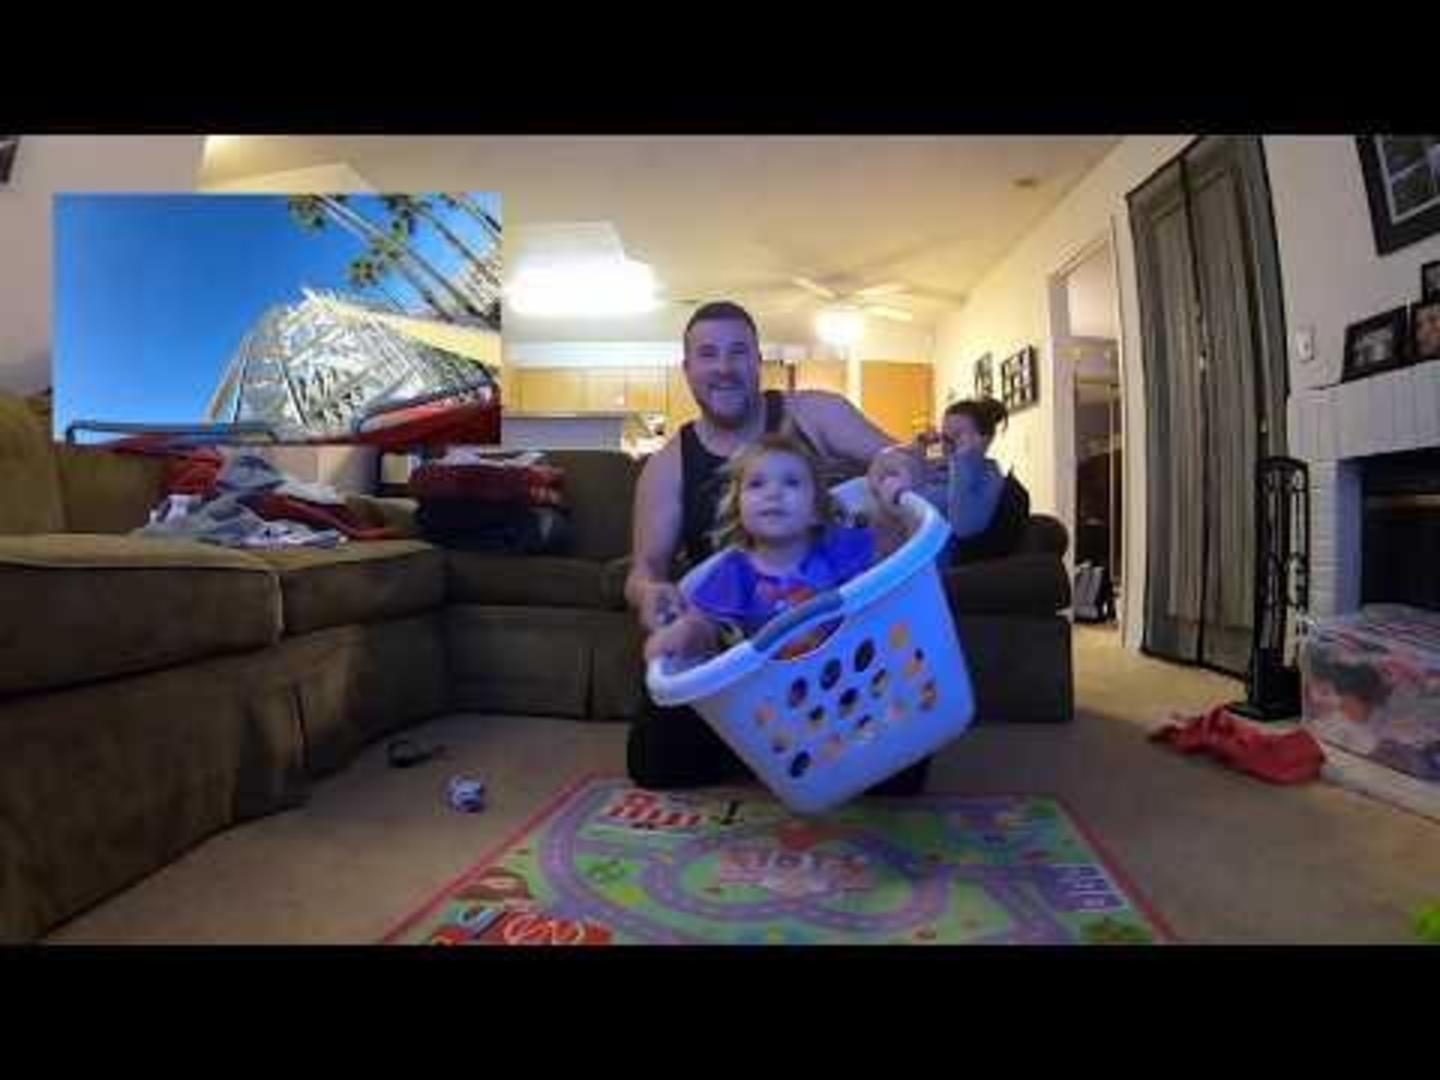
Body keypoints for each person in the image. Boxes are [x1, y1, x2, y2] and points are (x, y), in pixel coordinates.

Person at [625, 299, 925, 792]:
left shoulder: (815, 413)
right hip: (736, 659)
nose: (724, 367)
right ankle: (782, 749)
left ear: (758, 361)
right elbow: (646, 572)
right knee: (655, 761)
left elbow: (899, 467)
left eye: (738, 352)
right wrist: (653, 597)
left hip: (835, 650)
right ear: (687, 369)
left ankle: (792, 750)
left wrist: (899, 469)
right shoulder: (669, 466)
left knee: (904, 769)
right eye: (708, 354)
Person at [643, 433, 875, 664]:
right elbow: (705, 625)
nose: (773, 493)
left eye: (791, 483)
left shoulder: (834, 545)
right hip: (776, 685)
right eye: (756, 484)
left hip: (855, 668)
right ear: (738, 508)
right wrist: (684, 634)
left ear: (816, 510)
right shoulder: (733, 573)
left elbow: (886, 548)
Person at [914, 398, 1031, 565]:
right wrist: (918, 449)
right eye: (945, 437)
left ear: (985, 439)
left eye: (957, 435)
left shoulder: (990, 476)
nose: (948, 444)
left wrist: (960, 460)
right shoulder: (945, 469)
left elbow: (964, 526)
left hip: (937, 566)